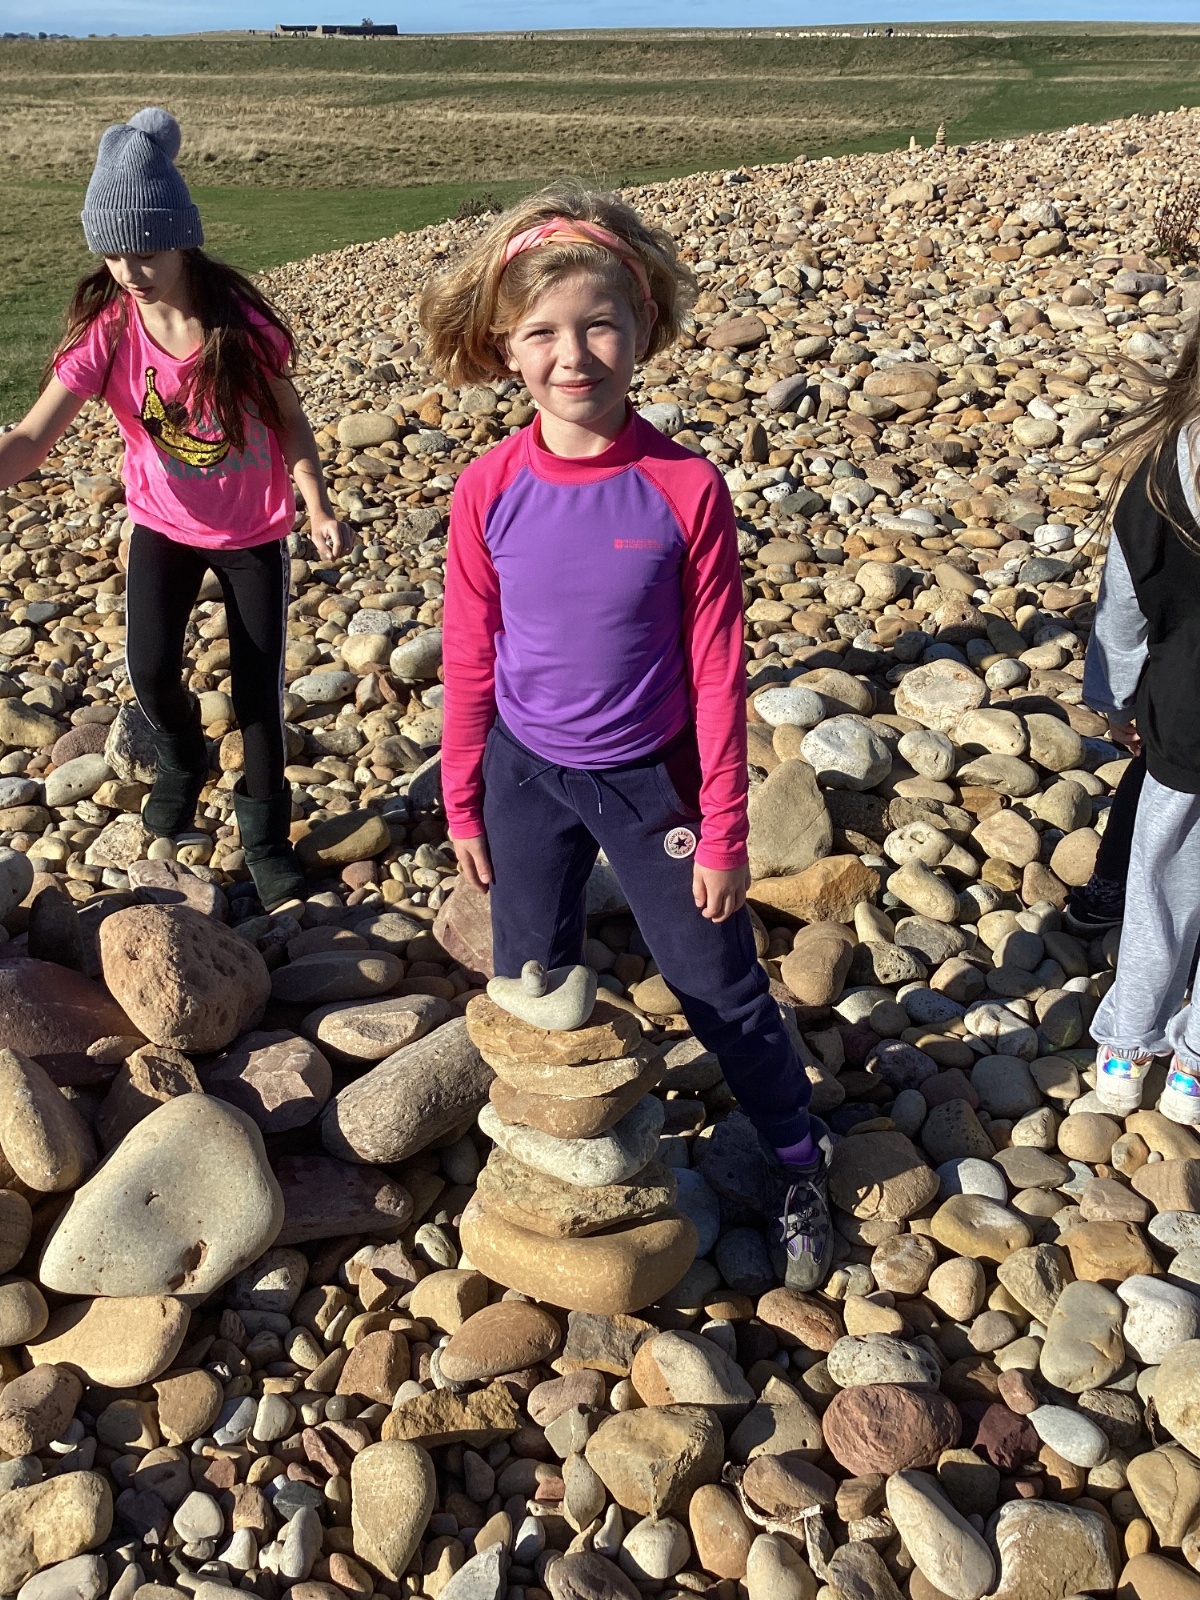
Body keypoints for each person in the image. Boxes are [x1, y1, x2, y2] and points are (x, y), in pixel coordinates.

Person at [419, 183, 833, 1289]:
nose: (573, 356)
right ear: (503, 345)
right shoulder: (488, 488)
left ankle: (798, 1156)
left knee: (717, 982)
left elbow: (719, 669)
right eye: (542, 332)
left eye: (599, 324)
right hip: (524, 774)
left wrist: (726, 828)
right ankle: (554, 1164)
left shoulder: (683, 487)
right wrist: (463, 796)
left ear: (642, 325)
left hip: (654, 782)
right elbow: (470, 653)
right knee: (532, 975)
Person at [0, 107, 350, 911]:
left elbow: (291, 422)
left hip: (253, 534)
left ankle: (266, 836)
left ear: (182, 240)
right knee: (151, 670)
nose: (130, 270)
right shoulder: (108, 333)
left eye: (146, 251)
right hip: (162, 525)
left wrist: (318, 503)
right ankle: (184, 756)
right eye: (113, 252)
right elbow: (31, 437)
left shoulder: (241, 331)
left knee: (257, 696)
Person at [1085, 324, 1200, 1125]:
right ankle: (1193, 1071)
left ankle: (1129, 1046)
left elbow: (1122, 608)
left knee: (1159, 885)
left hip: (1183, 716)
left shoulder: (1164, 473)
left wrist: (1115, 699)